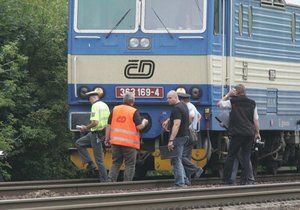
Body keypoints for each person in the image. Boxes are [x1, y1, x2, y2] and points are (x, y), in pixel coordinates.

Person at [217, 84, 260, 185]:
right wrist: (257, 132)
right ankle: (247, 179)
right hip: (249, 133)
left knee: (231, 155)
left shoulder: (233, 101)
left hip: (237, 132)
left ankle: (227, 179)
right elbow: (255, 119)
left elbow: (219, 104)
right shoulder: (252, 103)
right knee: (246, 156)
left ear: (236, 92)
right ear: (245, 92)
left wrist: (228, 94)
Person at [105, 91, 148, 182]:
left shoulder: (115, 109)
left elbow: (108, 125)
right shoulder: (133, 111)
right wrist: (144, 121)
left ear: (123, 100)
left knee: (116, 162)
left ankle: (110, 181)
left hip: (115, 142)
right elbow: (139, 127)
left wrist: (107, 139)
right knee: (130, 164)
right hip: (129, 143)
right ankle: (127, 184)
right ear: (133, 102)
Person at [75, 88, 110, 182]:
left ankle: (104, 181)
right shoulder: (105, 105)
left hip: (96, 135)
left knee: (99, 159)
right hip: (98, 133)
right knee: (79, 143)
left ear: (92, 98)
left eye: (89, 99)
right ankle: (90, 163)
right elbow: (108, 122)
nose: (89, 101)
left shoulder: (95, 106)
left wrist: (85, 128)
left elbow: (95, 122)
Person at [176, 90, 203, 184]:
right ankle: (188, 180)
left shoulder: (188, 107)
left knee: (180, 157)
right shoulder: (193, 106)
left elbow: (191, 116)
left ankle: (196, 169)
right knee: (186, 158)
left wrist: (185, 126)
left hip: (188, 133)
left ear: (182, 100)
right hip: (193, 133)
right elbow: (199, 116)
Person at [166, 90, 190, 187]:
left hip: (178, 137)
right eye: (167, 98)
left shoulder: (176, 108)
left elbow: (176, 124)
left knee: (176, 160)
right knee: (178, 159)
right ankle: (185, 180)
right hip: (184, 135)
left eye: (170, 98)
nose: (168, 100)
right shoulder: (184, 105)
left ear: (176, 97)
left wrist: (171, 140)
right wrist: (168, 120)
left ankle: (180, 183)